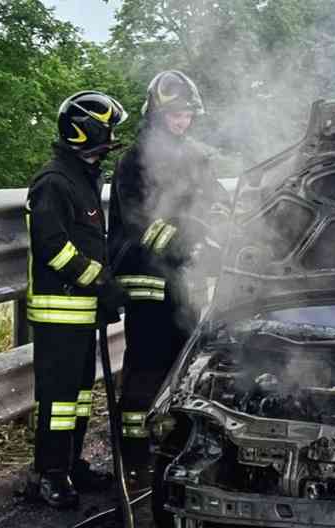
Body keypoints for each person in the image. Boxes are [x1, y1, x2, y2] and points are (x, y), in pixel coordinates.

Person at [109, 70, 230, 485]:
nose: (183, 122)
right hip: (147, 282)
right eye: (176, 115)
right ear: (157, 115)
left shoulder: (197, 156)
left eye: (188, 115)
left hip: (186, 283)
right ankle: (134, 458)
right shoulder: (135, 160)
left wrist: (217, 233)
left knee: (187, 368)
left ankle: (175, 447)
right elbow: (139, 224)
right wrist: (187, 234)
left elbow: (218, 204)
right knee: (145, 369)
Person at [25, 90, 129, 508]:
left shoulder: (84, 178)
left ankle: (72, 463)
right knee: (58, 400)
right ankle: (50, 475)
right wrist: (100, 279)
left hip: (82, 310)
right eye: (106, 128)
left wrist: (101, 288)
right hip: (59, 313)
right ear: (85, 131)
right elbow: (54, 248)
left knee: (80, 396)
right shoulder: (54, 183)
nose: (111, 135)